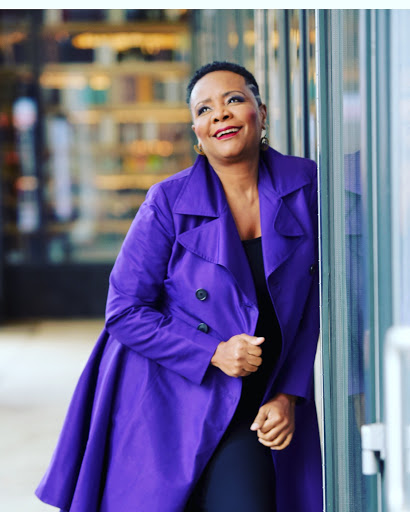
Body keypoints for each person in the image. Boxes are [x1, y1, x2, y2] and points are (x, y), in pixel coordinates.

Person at [36, 61, 322, 512]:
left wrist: (289, 393)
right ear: (197, 134)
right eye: (204, 109)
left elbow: (318, 304)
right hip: (171, 399)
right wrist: (214, 351)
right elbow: (124, 310)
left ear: (261, 112)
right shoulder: (167, 202)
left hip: (257, 404)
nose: (220, 114)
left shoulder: (307, 186)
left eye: (234, 100)